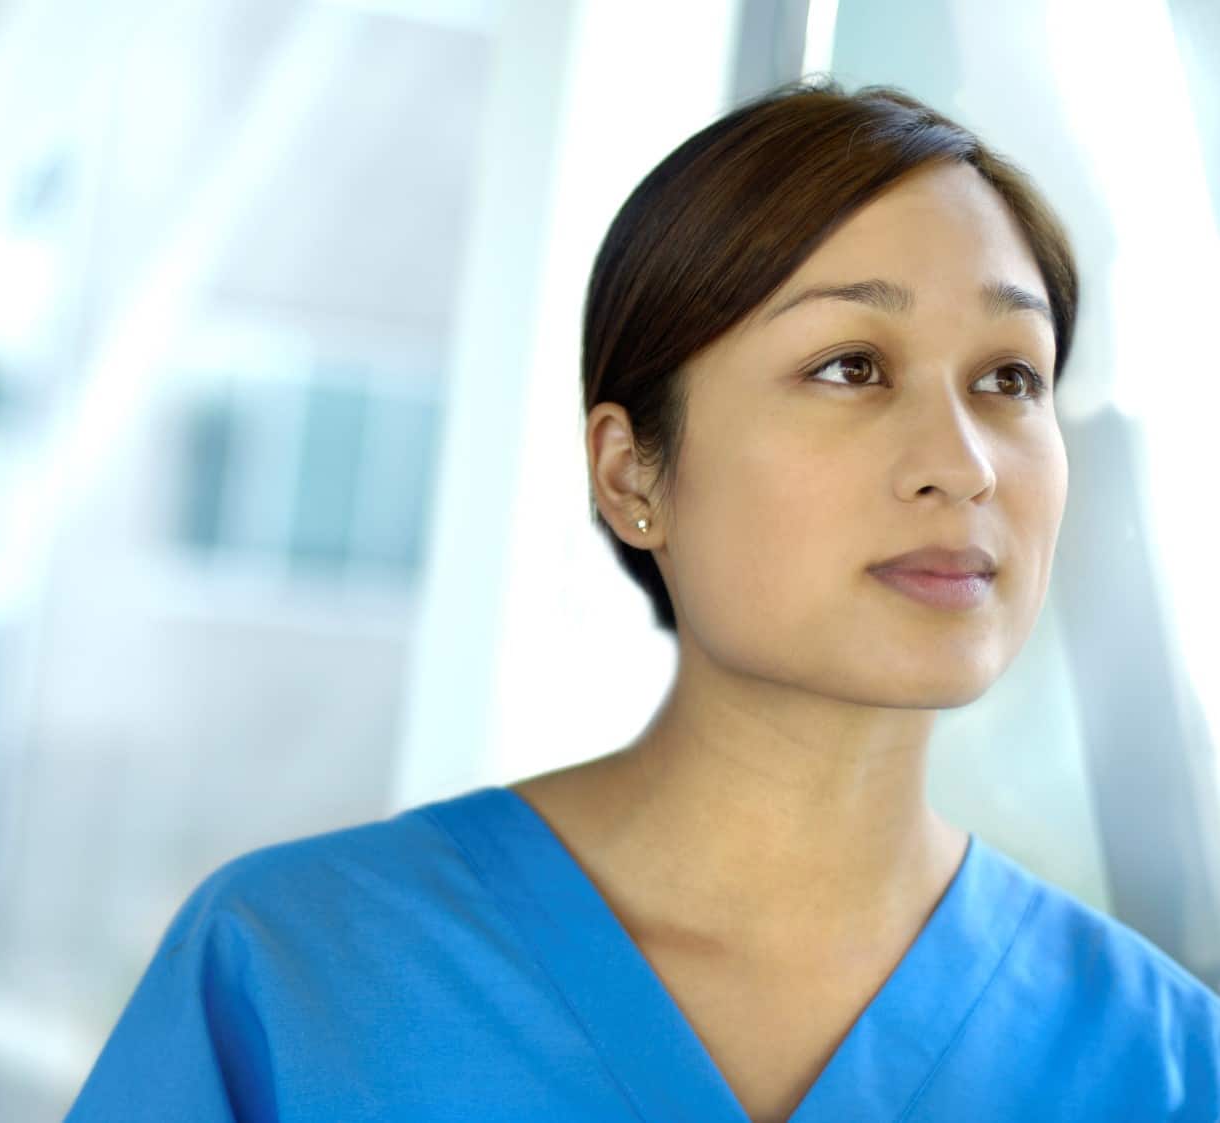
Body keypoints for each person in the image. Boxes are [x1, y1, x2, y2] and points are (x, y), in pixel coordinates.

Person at [63, 77, 1220, 1122]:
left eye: (1009, 378)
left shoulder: (1168, 1066)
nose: (962, 461)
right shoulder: (299, 978)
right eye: (849, 366)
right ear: (631, 474)